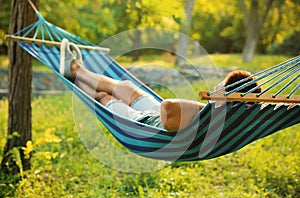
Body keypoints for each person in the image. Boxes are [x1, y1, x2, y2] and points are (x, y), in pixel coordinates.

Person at [60, 39, 261, 131]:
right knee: (126, 87)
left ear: (225, 97)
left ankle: (76, 76)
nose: (214, 87)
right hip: (158, 111)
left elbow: (168, 107)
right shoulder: (234, 115)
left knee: (105, 97)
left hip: (144, 122)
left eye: (219, 87)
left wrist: (210, 108)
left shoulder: (212, 117)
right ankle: (77, 70)